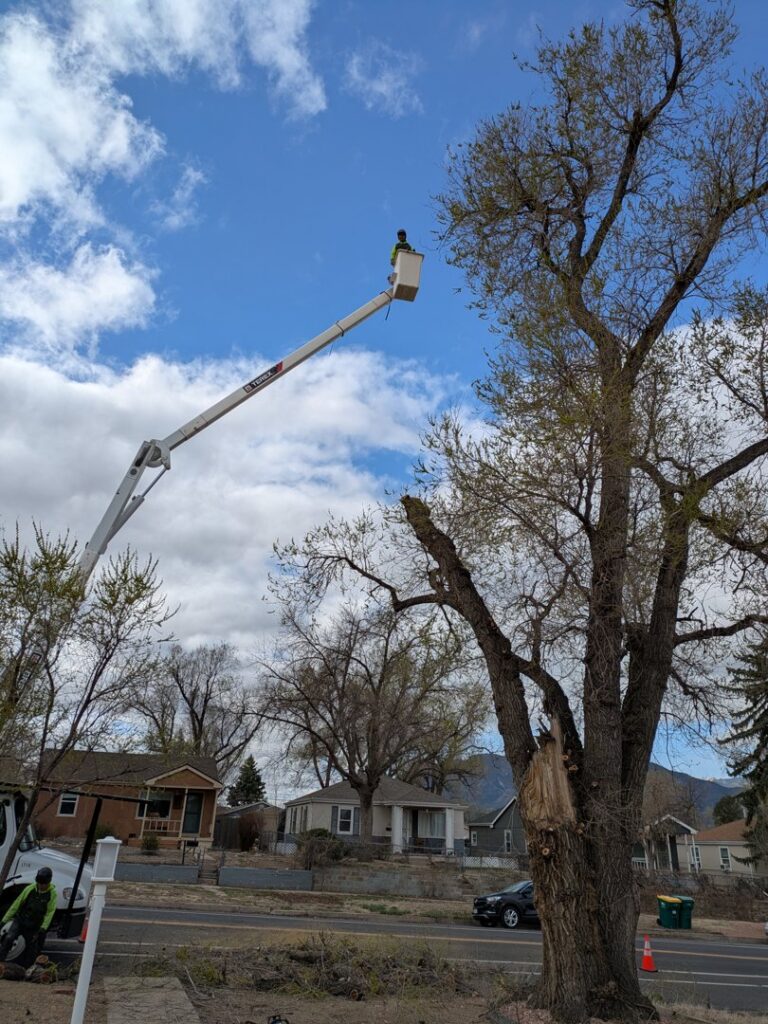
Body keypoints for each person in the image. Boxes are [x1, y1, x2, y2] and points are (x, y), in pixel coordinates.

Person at [0, 866, 56, 965]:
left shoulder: (52, 894)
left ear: (48, 883)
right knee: (9, 938)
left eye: (43, 884)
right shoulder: (29, 889)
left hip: (34, 925)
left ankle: (28, 968)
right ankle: (1, 960)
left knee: (32, 948)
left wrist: (43, 927)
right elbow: (16, 904)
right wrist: (5, 920)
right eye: (39, 883)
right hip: (20, 920)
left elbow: (50, 912)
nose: (41, 886)